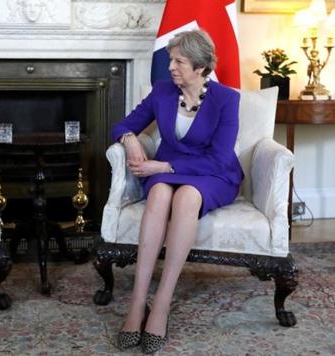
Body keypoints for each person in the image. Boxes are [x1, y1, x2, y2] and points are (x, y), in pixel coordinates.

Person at [112, 29, 242, 354]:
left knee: (186, 197)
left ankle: (162, 305)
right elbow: (123, 125)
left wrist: (164, 168)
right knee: (158, 195)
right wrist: (129, 139)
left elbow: (219, 159)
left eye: (179, 61)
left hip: (211, 174)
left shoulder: (227, 99)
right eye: (171, 59)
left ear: (200, 67)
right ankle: (138, 302)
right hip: (166, 171)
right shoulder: (162, 91)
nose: (171, 66)